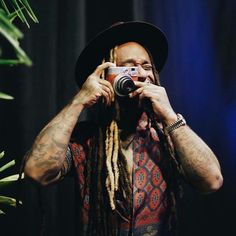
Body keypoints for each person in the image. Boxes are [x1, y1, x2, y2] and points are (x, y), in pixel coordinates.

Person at [24, 21, 223, 236]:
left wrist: (170, 116)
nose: (141, 74)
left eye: (146, 67)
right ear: (105, 77)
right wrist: (78, 102)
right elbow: (37, 171)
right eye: (128, 67)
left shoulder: (168, 136)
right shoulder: (84, 140)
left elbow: (211, 181)